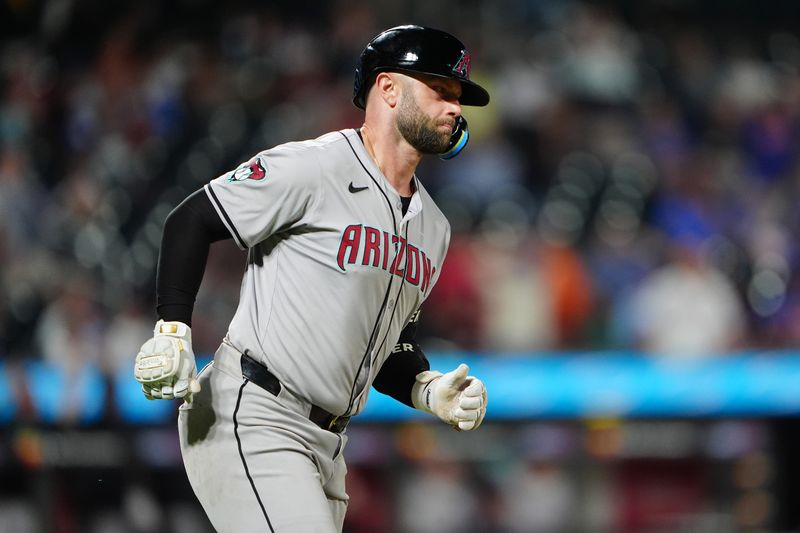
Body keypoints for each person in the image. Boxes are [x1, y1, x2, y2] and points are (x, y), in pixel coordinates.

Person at [133, 25, 489, 533]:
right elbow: (191, 220)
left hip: (328, 443)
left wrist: (425, 388)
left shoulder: (434, 228)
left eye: (458, 97)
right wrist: (173, 328)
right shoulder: (314, 166)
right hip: (254, 410)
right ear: (388, 89)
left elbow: (388, 345)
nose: (455, 108)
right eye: (441, 91)